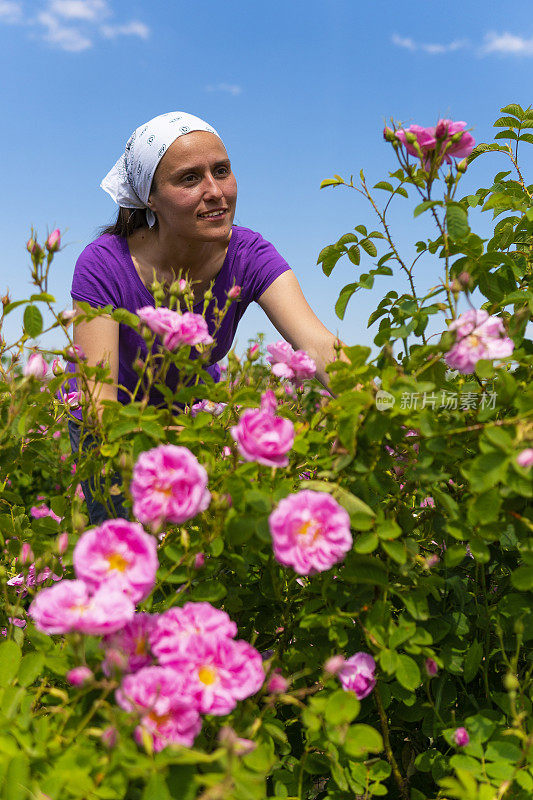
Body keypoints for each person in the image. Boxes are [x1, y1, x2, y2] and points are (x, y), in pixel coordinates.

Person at [68, 111, 345, 523]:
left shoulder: (249, 255)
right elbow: (100, 403)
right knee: (122, 536)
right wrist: (180, 443)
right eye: (189, 178)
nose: (216, 191)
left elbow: (320, 345)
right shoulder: (104, 265)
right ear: (150, 198)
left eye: (222, 171)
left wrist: (375, 408)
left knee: (201, 545)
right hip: (112, 425)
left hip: (190, 412)